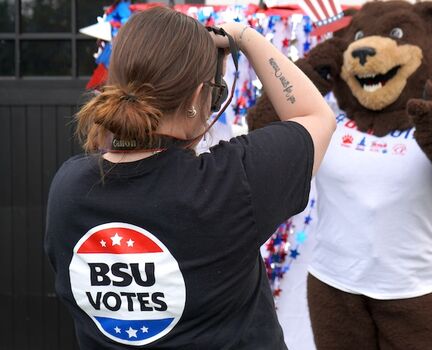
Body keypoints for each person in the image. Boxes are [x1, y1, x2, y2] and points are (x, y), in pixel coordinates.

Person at [44, 6, 335, 349]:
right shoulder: (230, 184)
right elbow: (313, 116)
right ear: (199, 97)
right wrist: (245, 37)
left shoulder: (69, 189)